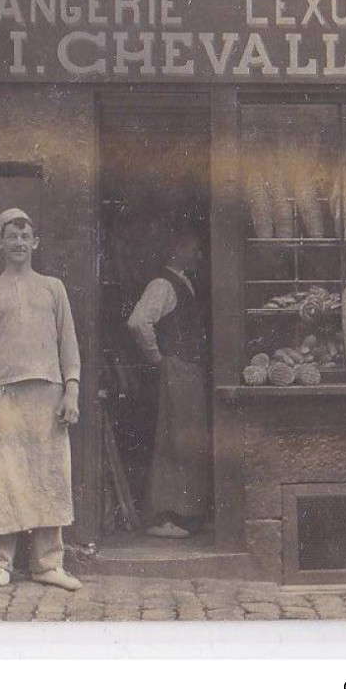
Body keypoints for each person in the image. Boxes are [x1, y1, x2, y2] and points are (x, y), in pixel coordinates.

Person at [0, 209, 82, 591]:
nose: (18, 242)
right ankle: (0, 563)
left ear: (35, 242)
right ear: (0, 243)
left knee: (50, 476)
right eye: (10, 236)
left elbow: (69, 344)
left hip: (47, 395)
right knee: (1, 479)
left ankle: (48, 564)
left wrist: (72, 391)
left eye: (24, 235)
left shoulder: (53, 287)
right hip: (3, 396)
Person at [127, 223, 210, 539]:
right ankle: (162, 517)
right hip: (177, 368)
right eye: (193, 249)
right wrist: (157, 357)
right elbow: (138, 322)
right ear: (176, 251)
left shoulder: (184, 283)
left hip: (188, 369)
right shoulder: (163, 285)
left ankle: (186, 514)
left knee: (187, 438)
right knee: (172, 438)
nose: (198, 255)